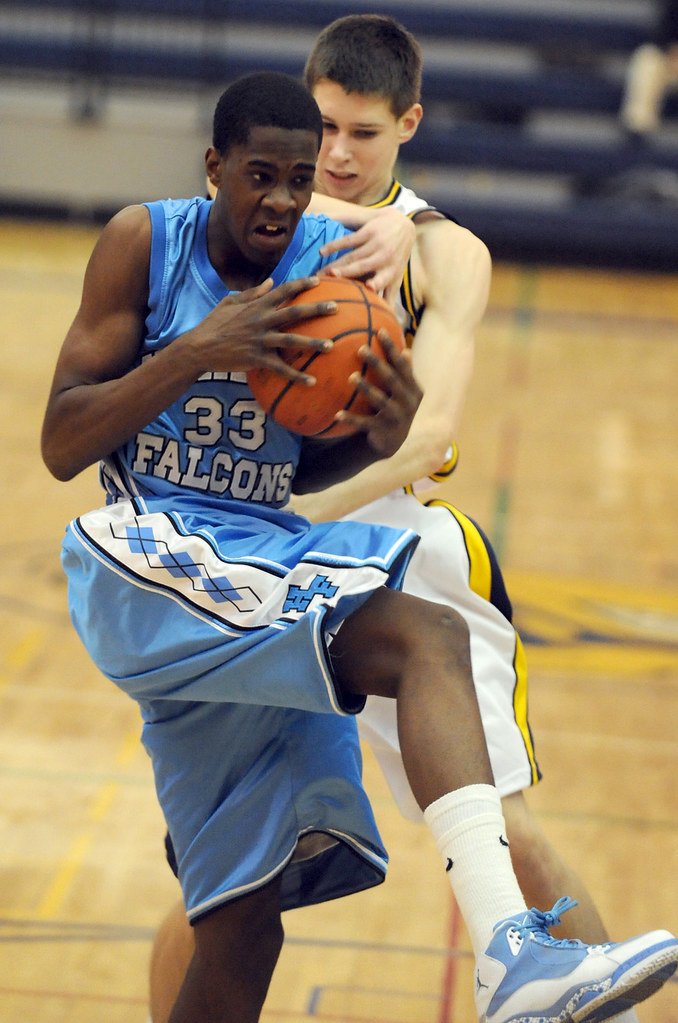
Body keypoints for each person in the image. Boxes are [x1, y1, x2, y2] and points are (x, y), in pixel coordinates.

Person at [42, 71, 678, 1023]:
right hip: (147, 553)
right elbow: (61, 441)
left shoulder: (328, 261)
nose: (284, 200)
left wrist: (380, 425)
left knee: (244, 922)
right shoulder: (146, 240)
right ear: (214, 166)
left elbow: (296, 467)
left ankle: (519, 957)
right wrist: (193, 351)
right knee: (425, 637)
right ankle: (510, 954)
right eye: (262, 175)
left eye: (301, 180)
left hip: (250, 559)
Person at [620, 0, 678, 136]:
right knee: (648, 58)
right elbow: (661, 35)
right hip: (672, 62)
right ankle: (639, 122)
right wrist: (672, 52)